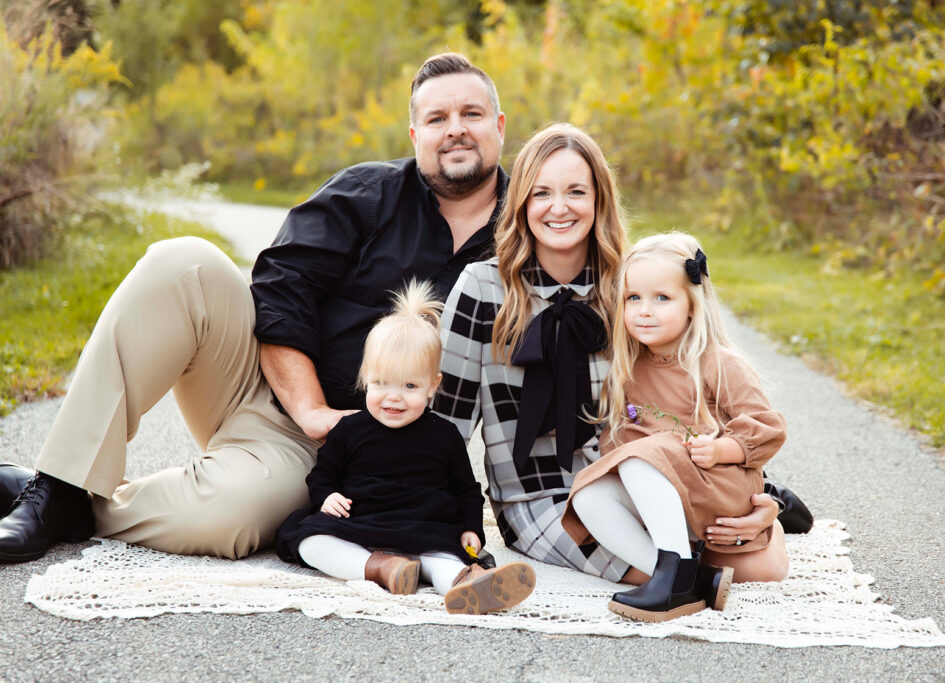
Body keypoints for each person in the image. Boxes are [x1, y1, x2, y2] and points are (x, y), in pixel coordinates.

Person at [0, 52, 508, 562]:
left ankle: (75, 505)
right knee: (185, 263)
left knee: (228, 517)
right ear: (415, 135)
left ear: (500, 126)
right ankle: (58, 482)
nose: (455, 130)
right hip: (263, 394)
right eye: (437, 118)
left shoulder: (525, 236)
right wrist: (311, 411)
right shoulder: (366, 194)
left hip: (357, 454)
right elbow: (280, 288)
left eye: (471, 114)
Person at [561, 233, 788, 622]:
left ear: (691, 306)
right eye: (634, 298)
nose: (644, 311)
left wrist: (721, 450)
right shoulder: (628, 368)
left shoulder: (716, 362)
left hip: (715, 481)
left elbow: (767, 428)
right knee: (588, 493)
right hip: (662, 492)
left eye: (661, 298)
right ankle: (685, 578)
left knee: (641, 458)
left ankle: (775, 506)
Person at [274, 281, 535, 614]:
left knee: (444, 557)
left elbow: (466, 490)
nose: (393, 396)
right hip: (362, 525)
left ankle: (468, 584)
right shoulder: (349, 429)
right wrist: (327, 496)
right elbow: (323, 474)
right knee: (309, 538)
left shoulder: (444, 434)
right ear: (366, 377)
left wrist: (471, 528)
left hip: (425, 528)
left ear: (432, 386)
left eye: (409, 385)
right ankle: (381, 567)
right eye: (381, 383)